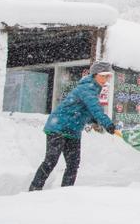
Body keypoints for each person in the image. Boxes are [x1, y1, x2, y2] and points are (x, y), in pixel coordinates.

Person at [29, 61, 116, 191]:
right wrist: (107, 123)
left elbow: (85, 110)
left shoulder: (94, 89)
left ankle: (66, 192)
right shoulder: (86, 88)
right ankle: (34, 188)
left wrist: (94, 121)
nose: (106, 79)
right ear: (95, 75)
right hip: (58, 127)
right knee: (51, 161)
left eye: (108, 76)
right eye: (103, 75)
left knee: (73, 164)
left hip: (73, 130)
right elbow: (95, 108)